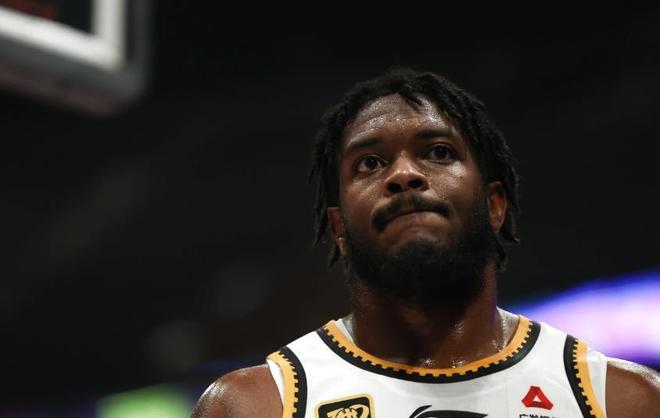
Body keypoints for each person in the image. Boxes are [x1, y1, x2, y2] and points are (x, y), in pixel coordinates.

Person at [192, 68, 660, 418]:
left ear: (495, 205)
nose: (403, 174)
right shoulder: (255, 406)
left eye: (438, 152)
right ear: (338, 228)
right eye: (369, 163)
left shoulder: (623, 400)